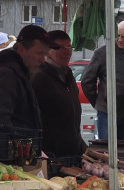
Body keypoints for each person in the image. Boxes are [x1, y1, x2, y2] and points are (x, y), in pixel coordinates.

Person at [0, 24, 55, 131]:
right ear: (21, 49)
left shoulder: (15, 72)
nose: (43, 60)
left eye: (45, 55)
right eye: (39, 53)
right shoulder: (6, 76)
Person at [80, 20, 124, 141]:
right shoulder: (103, 53)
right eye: (117, 36)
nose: (119, 39)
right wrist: (99, 102)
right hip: (107, 113)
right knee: (106, 151)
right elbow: (87, 81)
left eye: (123, 37)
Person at [30, 29, 88, 159]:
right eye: (59, 48)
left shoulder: (68, 75)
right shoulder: (39, 77)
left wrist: (82, 148)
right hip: (51, 156)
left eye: (69, 47)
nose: (66, 52)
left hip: (72, 153)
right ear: (47, 51)